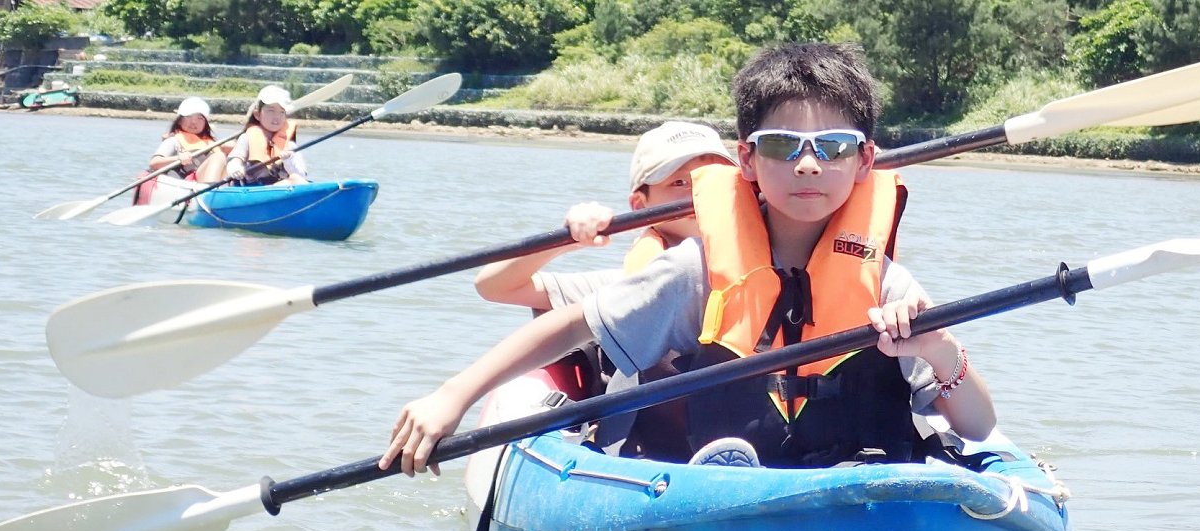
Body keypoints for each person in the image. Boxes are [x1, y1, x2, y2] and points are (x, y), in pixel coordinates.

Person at [380, 42, 995, 476]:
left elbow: (977, 427)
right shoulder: (695, 273)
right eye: (782, 146)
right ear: (746, 160)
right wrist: (451, 397)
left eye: (832, 147)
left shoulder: (887, 284)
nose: (808, 165)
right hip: (722, 494)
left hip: (854, 490)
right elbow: (570, 325)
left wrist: (939, 348)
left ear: (864, 161)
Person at [472, 122, 737, 461]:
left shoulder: (775, 270)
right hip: (647, 460)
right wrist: (569, 238)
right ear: (640, 205)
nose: (699, 193)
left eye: (712, 179)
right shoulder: (621, 286)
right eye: (679, 183)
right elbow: (494, 285)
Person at [134, 97, 227, 203]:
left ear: (205, 123)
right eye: (188, 117)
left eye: (200, 118)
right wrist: (178, 158)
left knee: (224, 158)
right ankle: (209, 197)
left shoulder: (212, 143)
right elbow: (154, 163)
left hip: (201, 184)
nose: (193, 122)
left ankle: (222, 195)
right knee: (219, 156)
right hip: (185, 186)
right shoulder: (173, 140)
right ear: (179, 120)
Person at [226, 85, 309, 186]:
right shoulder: (247, 138)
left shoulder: (290, 145)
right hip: (253, 187)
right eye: (271, 111)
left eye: (282, 112)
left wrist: (288, 160)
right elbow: (235, 160)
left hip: (280, 186)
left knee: (297, 179)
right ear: (257, 115)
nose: (276, 117)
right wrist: (235, 168)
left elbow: (301, 175)